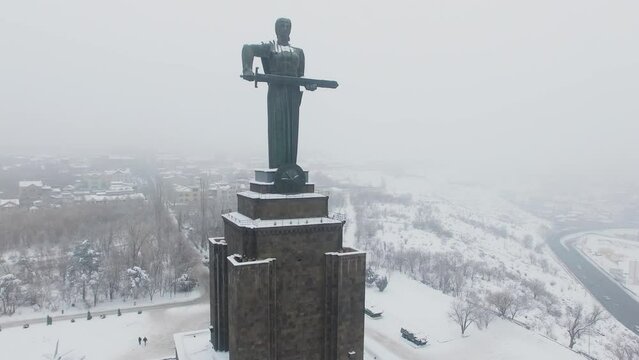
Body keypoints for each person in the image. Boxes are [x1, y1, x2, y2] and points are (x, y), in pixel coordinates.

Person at [242, 18, 316, 169]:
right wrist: (247, 69)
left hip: (293, 93)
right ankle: (277, 167)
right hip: (276, 91)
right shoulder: (270, 48)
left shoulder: (298, 52)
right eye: (281, 25)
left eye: (287, 25)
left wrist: (309, 85)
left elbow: (300, 76)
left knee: (292, 128)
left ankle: (290, 167)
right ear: (276, 29)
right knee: (278, 126)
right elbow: (247, 48)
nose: (284, 27)